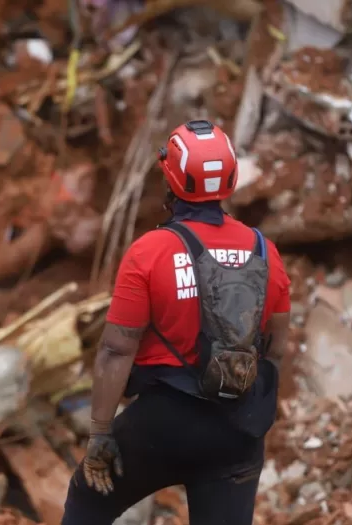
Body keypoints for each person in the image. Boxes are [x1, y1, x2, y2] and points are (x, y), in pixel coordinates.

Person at [61, 120, 291, 525]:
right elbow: (275, 348)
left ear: (171, 176)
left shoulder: (151, 251)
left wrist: (100, 433)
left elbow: (117, 350)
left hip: (163, 425)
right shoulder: (264, 251)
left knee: (87, 498)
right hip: (238, 428)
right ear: (231, 178)